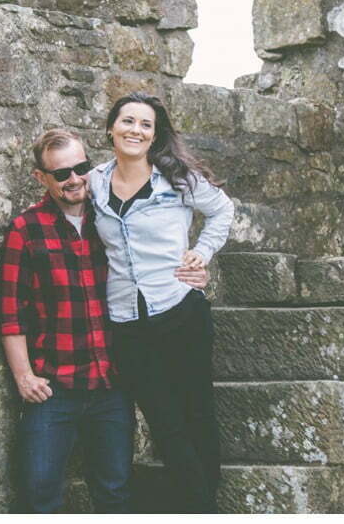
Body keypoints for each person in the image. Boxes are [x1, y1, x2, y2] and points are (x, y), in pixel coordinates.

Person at [0, 128, 210, 513]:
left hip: (112, 384)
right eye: (61, 173)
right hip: (53, 387)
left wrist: (195, 271)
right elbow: (11, 311)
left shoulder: (110, 217)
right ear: (40, 177)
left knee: (115, 493)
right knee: (39, 492)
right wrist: (24, 376)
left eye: (81, 167)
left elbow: (156, 265)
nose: (74, 178)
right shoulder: (26, 230)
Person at [86, 92, 235, 513]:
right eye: (128, 121)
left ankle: (202, 508)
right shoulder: (95, 181)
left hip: (180, 310)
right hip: (127, 321)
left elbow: (222, 211)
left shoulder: (177, 177)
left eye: (145, 124)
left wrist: (201, 254)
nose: (136, 130)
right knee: (164, 422)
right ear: (111, 129)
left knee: (196, 414)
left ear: (155, 135)